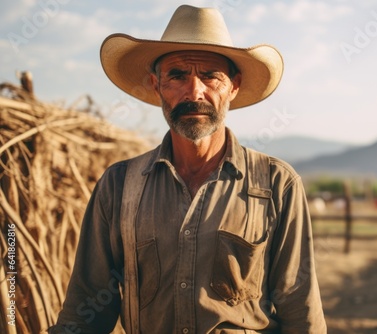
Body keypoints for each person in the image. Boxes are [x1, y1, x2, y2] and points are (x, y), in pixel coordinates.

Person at [49, 4, 326, 334]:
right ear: (156, 85)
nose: (195, 92)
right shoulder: (119, 185)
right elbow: (86, 312)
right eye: (177, 76)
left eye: (210, 76)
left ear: (233, 86)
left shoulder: (277, 184)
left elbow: (300, 311)